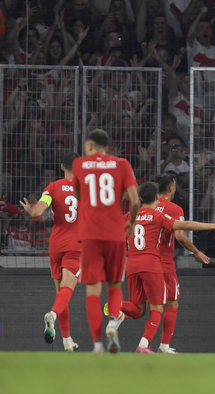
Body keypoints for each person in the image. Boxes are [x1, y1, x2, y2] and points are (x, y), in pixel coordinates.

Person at [111, 182, 215, 353]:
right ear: (156, 198)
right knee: (158, 307)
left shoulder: (130, 216)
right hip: (151, 265)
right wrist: (213, 225)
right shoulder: (157, 216)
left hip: (131, 265)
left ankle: (117, 304)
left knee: (138, 310)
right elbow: (185, 226)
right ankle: (143, 345)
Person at [71, 129, 141, 354]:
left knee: (93, 289)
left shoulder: (80, 165)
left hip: (90, 234)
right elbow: (135, 200)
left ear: (90, 146)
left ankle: (98, 344)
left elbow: (79, 195)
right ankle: (113, 321)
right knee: (114, 284)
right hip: (115, 234)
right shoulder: (122, 164)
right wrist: (131, 222)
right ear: (107, 147)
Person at [19, 152, 81, 351]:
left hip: (55, 246)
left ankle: (67, 340)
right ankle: (52, 315)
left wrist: (30, 210)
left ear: (62, 167)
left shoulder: (52, 187)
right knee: (67, 291)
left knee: (60, 293)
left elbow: (37, 212)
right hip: (76, 246)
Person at [155, 173, 213, 353]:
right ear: (171, 188)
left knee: (141, 305)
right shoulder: (174, 209)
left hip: (143, 260)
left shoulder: (146, 207)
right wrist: (196, 251)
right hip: (164, 262)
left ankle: (119, 313)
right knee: (171, 303)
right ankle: (163, 346)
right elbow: (180, 236)